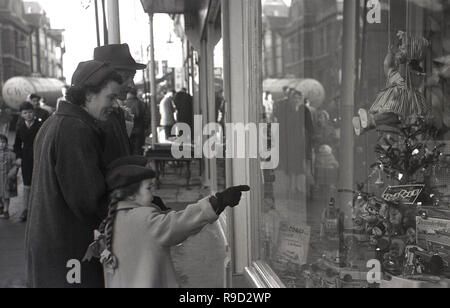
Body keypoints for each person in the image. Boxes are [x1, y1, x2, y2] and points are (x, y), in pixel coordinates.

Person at [25, 60, 123, 288]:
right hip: (68, 251)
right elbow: (89, 200)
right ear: (89, 95)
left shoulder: (55, 122)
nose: (115, 105)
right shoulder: (76, 129)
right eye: (111, 97)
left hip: (51, 248)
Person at [85, 161, 250, 288]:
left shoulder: (110, 222)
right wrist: (218, 201)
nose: (153, 193)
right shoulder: (144, 221)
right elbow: (180, 223)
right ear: (131, 196)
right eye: (149, 188)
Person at [353, 31, 430, 136]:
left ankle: (369, 121)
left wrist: (396, 51)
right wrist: (391, 51)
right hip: (400, 107)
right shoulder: (400, 71)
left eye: (404, 47)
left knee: (389, 113)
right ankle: (367, 123)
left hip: (405, 106)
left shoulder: (410, 71)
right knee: (388, 113)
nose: (400, 50)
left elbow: (391, 67)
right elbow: (387, 65)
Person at [94, 44, 147, 165]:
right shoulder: (100, 117)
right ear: (104, 78)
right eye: (126, 77)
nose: (132, 85)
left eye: (132, 78)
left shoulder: (115, 113)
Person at [14, 102, 43, 222]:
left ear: (34, 112)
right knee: (26, 185)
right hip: (25, 158)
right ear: (21, 114)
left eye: (30, 112)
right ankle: (25, 210)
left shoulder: (41, 125)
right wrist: (19, 157)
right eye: (25, 113)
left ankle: (37, 211)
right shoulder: (20, 128)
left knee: (39, 183)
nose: (28, 115)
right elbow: (16, 145)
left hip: (39, 157)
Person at [0, 135, 19, 220]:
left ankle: (6, 211)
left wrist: (13, 171)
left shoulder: (11, 154)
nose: (1, 144)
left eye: (3, 142)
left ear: (6, 143)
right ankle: (1, 207)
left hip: (7, 179)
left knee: (6, 195)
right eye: (0, 142)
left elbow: (15, 164)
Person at [124, 89, 148, 155]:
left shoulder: (125, 103)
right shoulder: (141, 104)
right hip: (139, 131)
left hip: (128, 131)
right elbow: (147, 118)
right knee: (138, 151)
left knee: (128, 151)